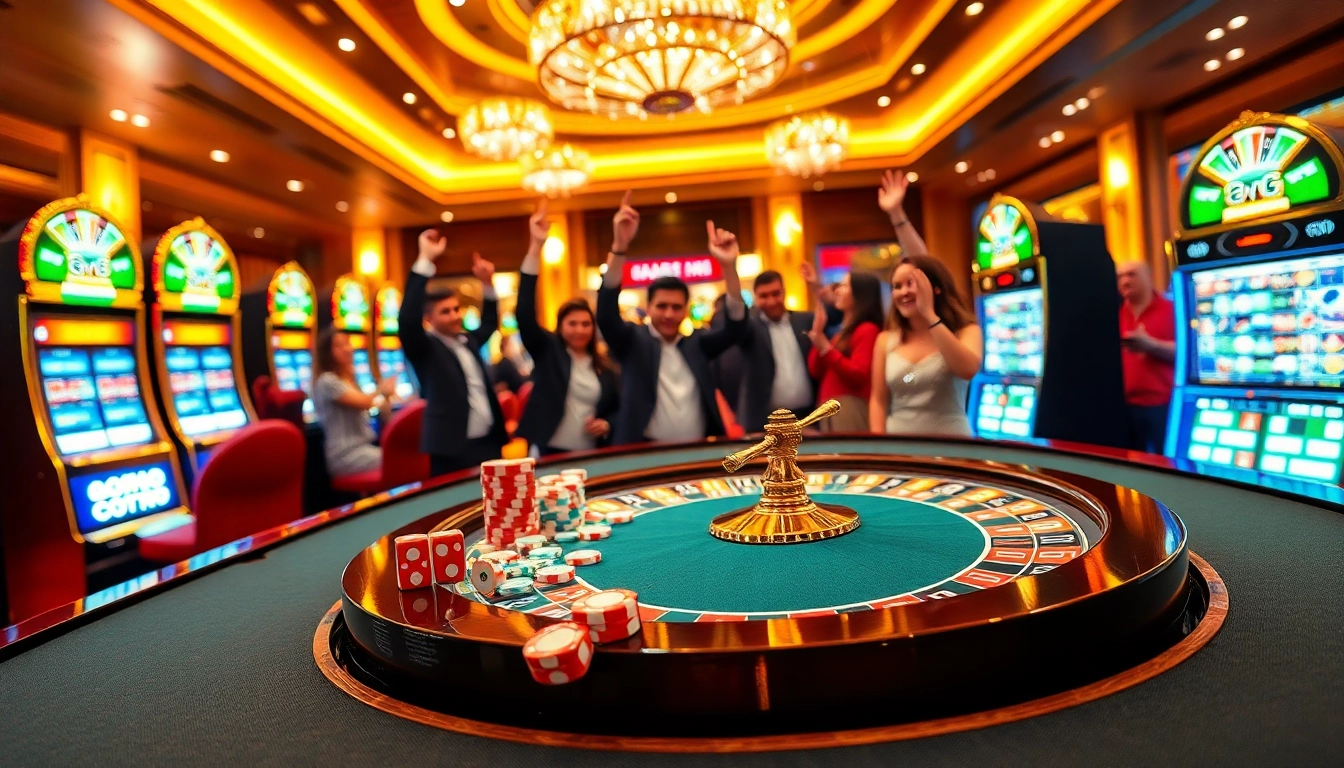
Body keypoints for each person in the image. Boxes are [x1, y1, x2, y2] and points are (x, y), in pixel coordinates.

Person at [596, 191, 749, 445]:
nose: (669, 314)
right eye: (662, 306)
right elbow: (605, 314)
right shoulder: (632, 341)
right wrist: (619, 247)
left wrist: (729, 267)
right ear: (649, 306)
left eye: (676, 307)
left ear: (686, 309)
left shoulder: (697, 344)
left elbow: (736, 327)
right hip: (643, 451)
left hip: (697, 450)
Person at [869, 169, 984, 436]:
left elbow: (966, 370)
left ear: (935, 288)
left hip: (953, 449)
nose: (903, 292)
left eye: (911, 283)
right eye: (897, 286)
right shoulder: (885, 340)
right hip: (900, 452)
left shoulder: (966, 331)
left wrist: (931, 316)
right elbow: (877, 400)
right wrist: (879, 449)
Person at [516, 199, 621, 455]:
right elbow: (524, 315)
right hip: (549, 449)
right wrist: (535, 247)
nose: (579, 330)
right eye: (572, 323)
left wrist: (606, 424)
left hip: (591, 451)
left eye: (586, 324)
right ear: (560, 327)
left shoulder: (604, 365)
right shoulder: (547, 351)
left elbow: (618, 407)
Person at [399, 232, 509, 476]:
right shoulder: (424, 347)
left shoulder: (467, 339)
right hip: (452, 449)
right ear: (428, 318)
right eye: (445, 312)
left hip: (489, 442)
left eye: (456, 309)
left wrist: (488, 284)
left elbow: (490, 323)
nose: (455, 315)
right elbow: (407, 319)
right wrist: (425, 259)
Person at [311, 327, 399, 476]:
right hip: (345, 455)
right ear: (326, 353)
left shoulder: (348, 380)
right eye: (339, 346)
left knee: (404, 456)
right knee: (399, 461)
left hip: (363, 449)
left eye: (347, 343)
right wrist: (381, 390)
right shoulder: (327, 381)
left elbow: (375, 408)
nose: (347, 349)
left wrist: (386, 398)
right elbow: (364, 402)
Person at [736, 270, 816, 432]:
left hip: (809, 417)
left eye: (775, 294)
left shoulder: (805, 321)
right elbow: (734, 320)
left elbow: (833, 315)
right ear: (756, 298)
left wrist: (814, 287)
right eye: (764, 296)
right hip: (766, 423)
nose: (771, 301)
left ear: (784, 292)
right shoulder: (750, 329)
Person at [806, 271, 884, 432]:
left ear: (859, 294)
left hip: (850, 408)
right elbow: (815, 370)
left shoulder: (867, 329)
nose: (838, 291)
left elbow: (858, 375)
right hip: (830, 409)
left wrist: (826, 348)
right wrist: (818, 332)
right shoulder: (840, 334)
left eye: (844, 286)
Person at [1117, 260, 1176, 454]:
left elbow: (1190, 356)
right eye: (1120, 276)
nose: (1125, 281)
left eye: (1131, 274)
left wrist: (1151, 345)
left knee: (1166, 467)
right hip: (1126, 408)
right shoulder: (1114, 313)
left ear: (1149, 277)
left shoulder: (1172, 309)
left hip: (1163, 405)